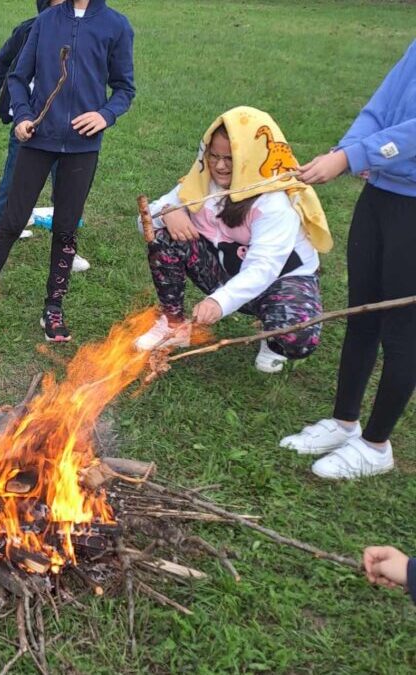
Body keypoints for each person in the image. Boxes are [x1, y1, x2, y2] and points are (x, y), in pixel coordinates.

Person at [279, 40, 415, 480]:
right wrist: (350, 146)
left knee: (402, 328)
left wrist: (355, 156)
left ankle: (376, 445)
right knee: (362, 314)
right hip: (381, 195)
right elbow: (380, 106)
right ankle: (344, 422)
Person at [0, 0, 134, 340]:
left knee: (66, 227)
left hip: (82, 147)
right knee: (11, 221)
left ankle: (54, 309)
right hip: (38, 140)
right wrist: (24, 116)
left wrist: (105, 114)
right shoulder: (45, 22)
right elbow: (17, 77)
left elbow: (124, 88)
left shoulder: (116, 26)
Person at [133, 108, 330, 375]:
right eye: (213, 156)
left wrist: (219, 302)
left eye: (230, 158)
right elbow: (144, 221)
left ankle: (273, 340)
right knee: (164, 240)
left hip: (278, 282)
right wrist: (168, 214)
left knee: (298, 337)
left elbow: (263, 268)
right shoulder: (199, 184)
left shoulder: (273, 203)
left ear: (252, 157)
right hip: (225, 271)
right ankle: (173, 324)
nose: (220, 166)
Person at [0, 0, 88, 275]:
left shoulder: (85, 36)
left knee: (68, 189)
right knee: (14, 182)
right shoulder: (28, 31)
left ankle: (66, 247)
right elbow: (4, 60)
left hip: (69, 130)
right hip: (30, 127)